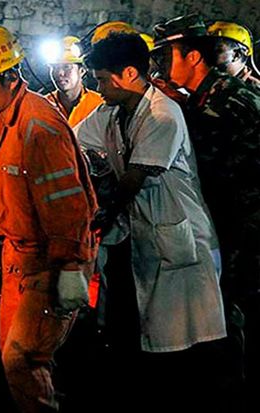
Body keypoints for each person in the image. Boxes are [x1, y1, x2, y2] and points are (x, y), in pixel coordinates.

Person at [74, 31, 227, 411]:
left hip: (176, 230)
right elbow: (72, 140)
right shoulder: (111, 112)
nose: (98, 88)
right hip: (139, 231)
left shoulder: (163, 115)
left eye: (102, 80)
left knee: (188, 337)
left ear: (129, 74)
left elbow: (133, 179)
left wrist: (100, 215)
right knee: (141, 327)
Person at [0, 24, 98, 412]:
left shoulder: (37, 126)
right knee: (13, 354)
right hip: (18, 257)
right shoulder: (3, 123)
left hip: (48, 260)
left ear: (11, 77)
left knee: (21, 359)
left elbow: (68, 204)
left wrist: (70, 267)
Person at [152, 14, 260, 411]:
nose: (161, 67)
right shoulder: (206, 97)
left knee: (239, 308)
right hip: (233, 221)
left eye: (168, 57)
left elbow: (211, 164)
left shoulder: (226, 101)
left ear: (193, 57)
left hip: (247, 224)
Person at [44, 35, 104, 127]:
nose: (60, 73)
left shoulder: (99, 105)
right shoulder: (43, 105)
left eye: (67, 67)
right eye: (55, 67)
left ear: (82, 71)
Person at [208, 20, 260, 88]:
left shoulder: (253, 90)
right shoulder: (212, 80)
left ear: (236, 55)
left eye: (218, 50)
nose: (208, 55)